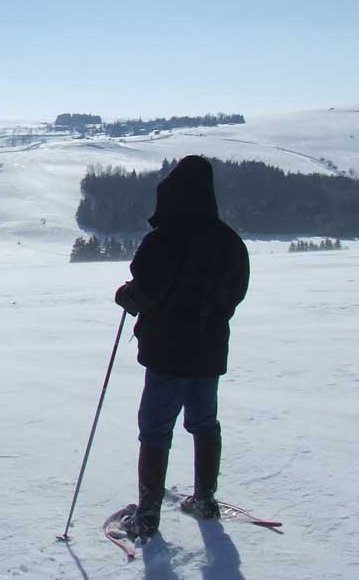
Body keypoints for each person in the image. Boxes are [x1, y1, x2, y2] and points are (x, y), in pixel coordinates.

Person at [114, 155, 250, 540]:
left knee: (155, 430)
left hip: (167, 354)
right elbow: (236, 292)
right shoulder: (229, 241)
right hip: (208, 353)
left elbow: (145, 291)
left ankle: (147, 518)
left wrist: (126, 295)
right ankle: (205, 499)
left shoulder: (163, 239)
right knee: (205, 423)